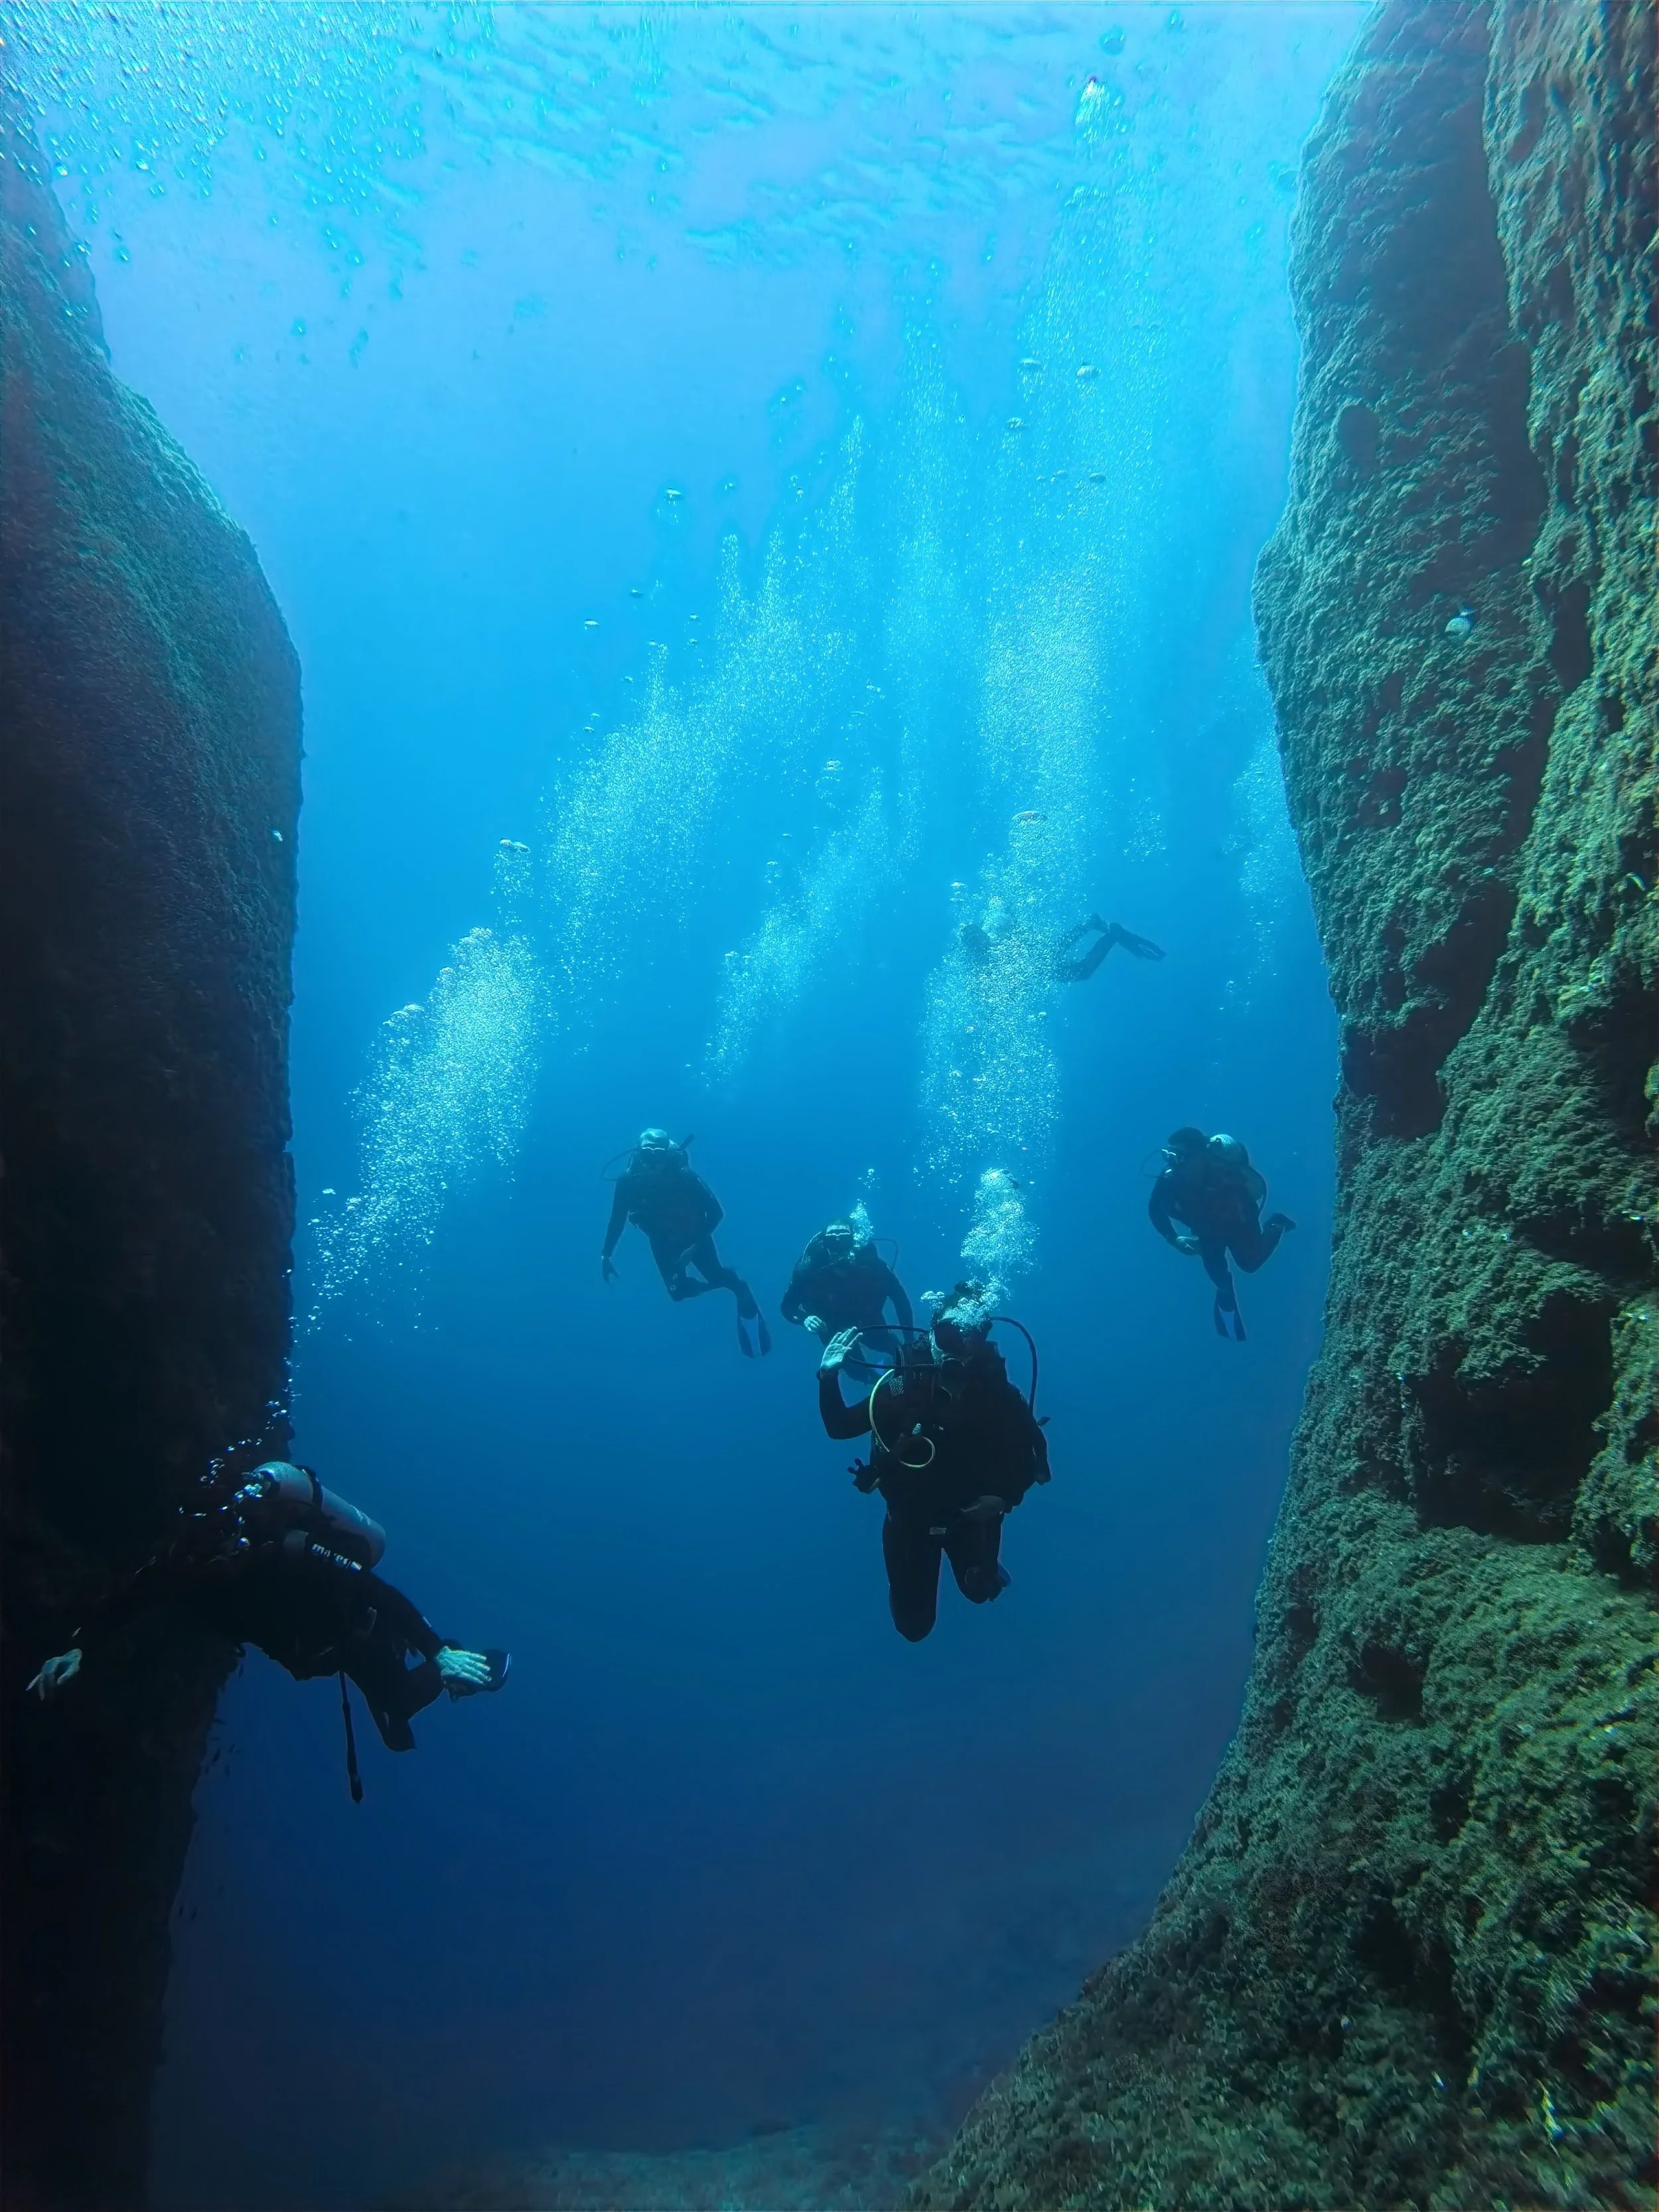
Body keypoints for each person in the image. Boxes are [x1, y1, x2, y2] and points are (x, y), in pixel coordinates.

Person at [25, 1461, 508, 1785]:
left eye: (224, 1552)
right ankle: (431, 1664)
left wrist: (434, 1649)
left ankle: (465, 1659)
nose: (219, 1563)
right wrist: (80, 1647)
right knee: (389, 1710)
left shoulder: (290, 1550)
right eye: (206, 1559)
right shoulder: (182, 1565)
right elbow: (128, 1600)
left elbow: (372, 1589)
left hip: (358, 1633)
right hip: (311, 1650)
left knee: (399, 1702)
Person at [816, 1284, 1050, 1642]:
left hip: (968, 1519)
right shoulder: (898, 1389)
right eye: (948, 1332)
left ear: (981, 1340)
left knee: (980, 1592)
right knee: (914, 1628)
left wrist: (1003, 1500)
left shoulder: (998, 1395)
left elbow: (1030, 1458)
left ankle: (982, 1568)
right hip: (909, 1523)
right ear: (932, 1332)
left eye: (969, 1334)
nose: (958, 1344)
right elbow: (839, 1427)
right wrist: (828, 1377)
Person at [602, 1128, 770, 1356]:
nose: (652, 1164)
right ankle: (714, 1285)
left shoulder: (684, 1176)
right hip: (661, 1240)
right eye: (646, 1156)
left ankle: (737, 1287)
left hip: (694, 1236)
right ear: (638, 1154)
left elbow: (716, 1212)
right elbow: (617, 1219)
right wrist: (606, 1254)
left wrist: (693, 1247)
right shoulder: (627, 1182)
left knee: (716, 1276)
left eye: (658, 1156)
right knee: (677, 1294)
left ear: (667, 1156)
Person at [1148, 1126, 1295, 1341]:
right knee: (1221, 1282)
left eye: (1183, 1157)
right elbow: (1155, 1211)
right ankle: (1231, 1321)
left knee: (1250, 1263)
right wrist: (1175, 1239)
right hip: (1207, 1232)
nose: (1176, 1164)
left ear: (1200, 1154)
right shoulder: (1171, 1178)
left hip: (1239, 1221)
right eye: (1172, 1157)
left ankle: (1276, 1224)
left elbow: (1249, 1190)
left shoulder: (1223, 1166)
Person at [780, 1218, 913, 1375]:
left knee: (896, 1350)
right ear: (824, 1242)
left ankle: (901, 1372)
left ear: (854, 1240)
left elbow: (900, 1298)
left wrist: (909, 1339)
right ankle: (873, 1379)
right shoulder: (809, 1269)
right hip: (831, 1326)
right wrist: (805, 1319)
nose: (837, 1244)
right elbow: (788, 1306)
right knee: (856, 1371)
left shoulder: (872, 1266)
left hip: (867, 1319)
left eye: (844, 1239)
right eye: (831, 1240)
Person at [960, 909, 1164, 981]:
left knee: (1083, 972)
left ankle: (1109, 935)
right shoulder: (978, 958)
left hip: (1035, 964)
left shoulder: (994, 942)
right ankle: (1090, 924)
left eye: (977, 937)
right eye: (973, 942)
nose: (978, 942)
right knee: (1055, 950)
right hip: (1034, 961)